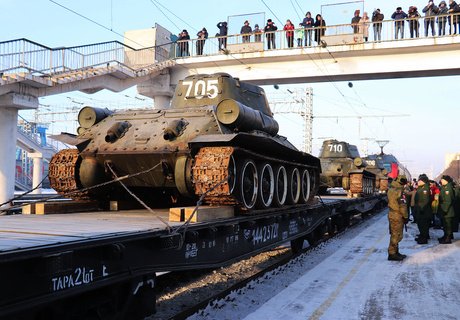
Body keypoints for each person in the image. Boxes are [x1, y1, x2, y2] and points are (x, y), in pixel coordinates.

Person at [387, 175, 409, 261]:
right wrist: (406, 216)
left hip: (392, 213)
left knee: (394, 233)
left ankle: (395, 252)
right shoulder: (400, 191)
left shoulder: (391, 190)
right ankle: (392, 254)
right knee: (396, 235)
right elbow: (402, 205)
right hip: (398, 215)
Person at [414, 174, 432, 244]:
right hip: (421, 209)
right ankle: (423, 235)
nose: (418, 181)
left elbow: (425, 200)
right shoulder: (421, 188)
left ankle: (424, 238)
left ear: (423, 181)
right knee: (422, 224)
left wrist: (421, 208)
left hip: (423, 210)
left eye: (420, 180)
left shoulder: (425, 189)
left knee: (423, 224)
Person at [438, 175, 456, 243]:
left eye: (442, 180)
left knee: (447, 225)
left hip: (447, 210)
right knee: (445, 225)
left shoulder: (448, 188)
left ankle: (448, 238)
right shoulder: (444, 187)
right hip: (445, 209)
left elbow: (448, 201)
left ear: (446, 181)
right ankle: (445, 236)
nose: (441, 181)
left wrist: (445, 210)